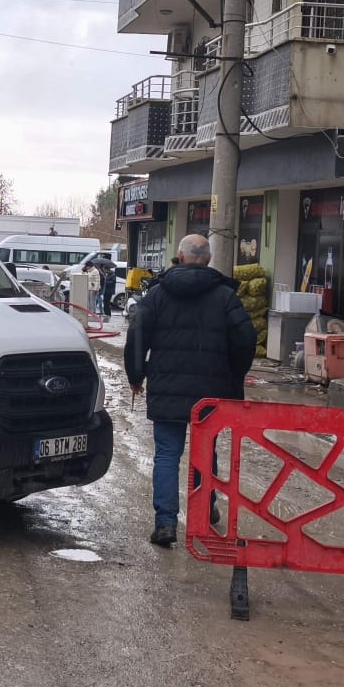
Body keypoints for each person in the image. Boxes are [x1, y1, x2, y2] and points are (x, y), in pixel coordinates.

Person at [124, 233, 257, 546]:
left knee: (168, 454)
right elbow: (246, 340)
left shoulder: (157, 295)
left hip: (167, 387)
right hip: (211, 391)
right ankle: (204, 512)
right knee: (205, 451)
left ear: (179, 257)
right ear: (208, 260)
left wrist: (136, 375)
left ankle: (166, 524)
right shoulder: (225, 296)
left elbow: (137, 335)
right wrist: (233, 376)